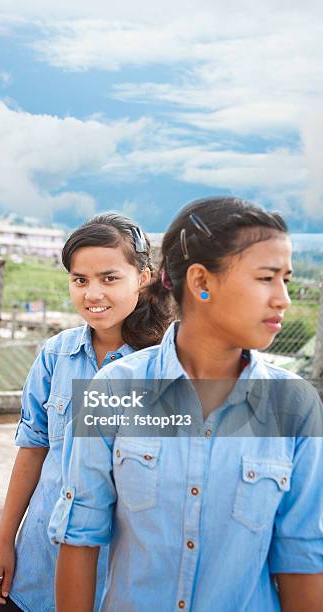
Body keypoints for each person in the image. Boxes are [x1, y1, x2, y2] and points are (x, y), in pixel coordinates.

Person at [51, 197, 323, 611]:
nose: (283, 298)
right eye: (267, 278)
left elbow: (302, 558)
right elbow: (80, 537)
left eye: (285, 279)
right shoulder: (113, 390)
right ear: (201, 282)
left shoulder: (294, 406)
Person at [0, 213, 174, 612]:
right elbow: (33, 451)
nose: (93, 294)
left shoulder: (166, 370)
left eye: (109, 278)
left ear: (142, 277)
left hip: (117, 579)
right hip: (35, 568)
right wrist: (4, 543)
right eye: (80, 280)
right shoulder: (57, 355)